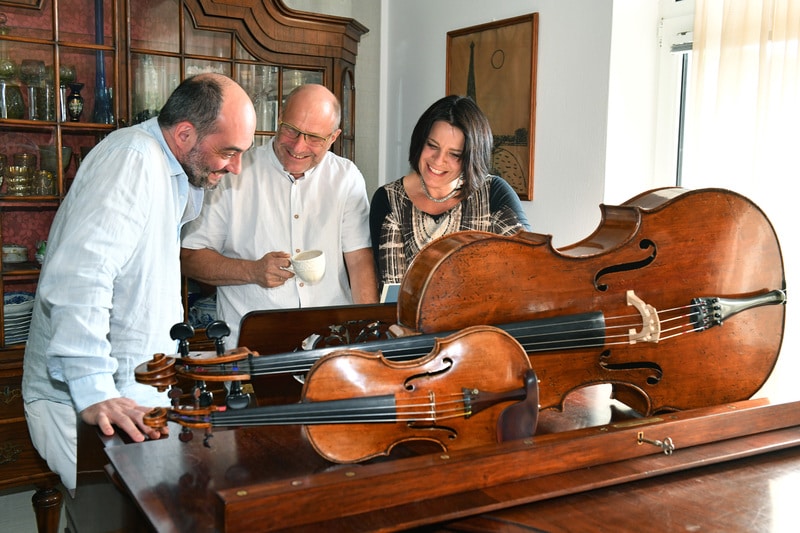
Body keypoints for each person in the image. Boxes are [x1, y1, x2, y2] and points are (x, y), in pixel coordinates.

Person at [22, 73, 257, 493]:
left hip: (130, 393)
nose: (235, 167)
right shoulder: (133, 159)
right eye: (229, 152)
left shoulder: (169, 169)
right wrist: (93, 390)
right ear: (185, 133)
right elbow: (81, 275)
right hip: (90, 401)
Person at [180, 83, 378, 348]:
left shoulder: (346, 177)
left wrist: (367, 340)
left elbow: (359, 263)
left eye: (314, 137)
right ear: (279, 118)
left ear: (333, 137)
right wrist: (252, 271)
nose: (298, 146)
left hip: (331, 346)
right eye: (291, 130)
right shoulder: (233, 170)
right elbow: (190, 258)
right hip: (252, 349)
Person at [370, 95, 531, 288]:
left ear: (472, 158)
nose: (438, 161)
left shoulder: (494, 194)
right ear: (420, 142)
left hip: (485, 318)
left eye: (454, 154)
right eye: (432, 146)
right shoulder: (389, 200)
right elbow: (394, 294)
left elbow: (527, 268)